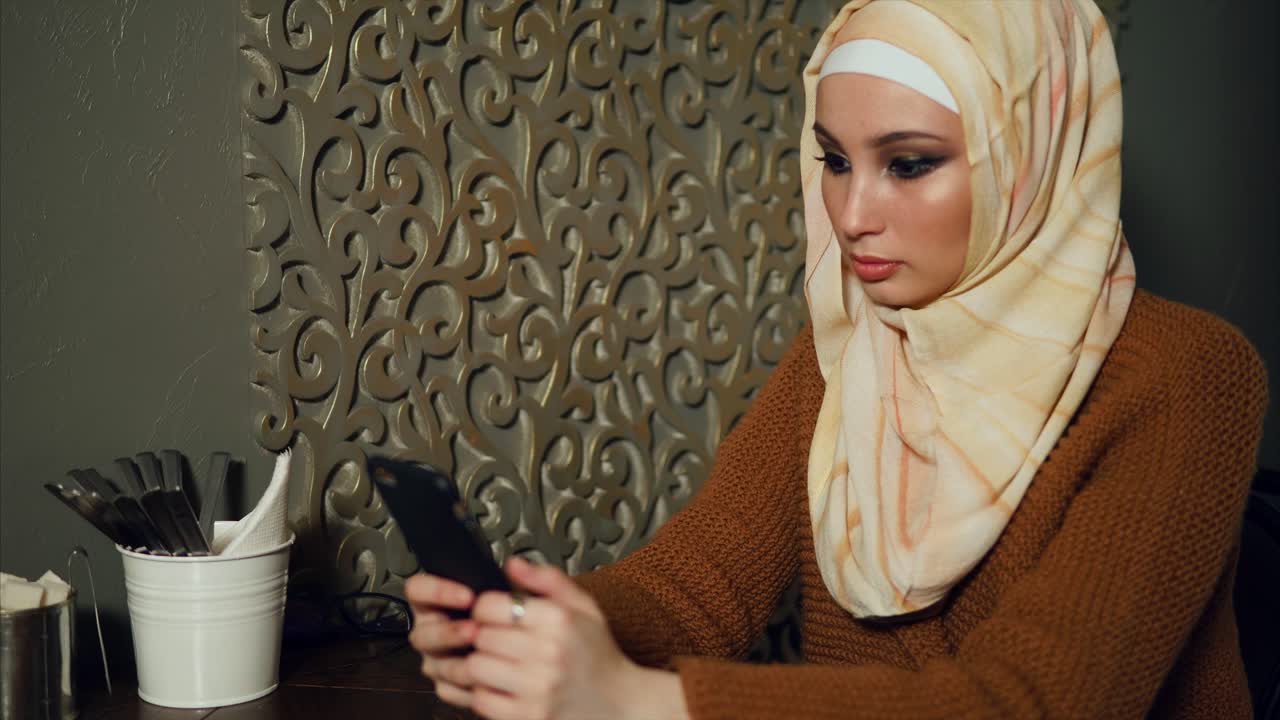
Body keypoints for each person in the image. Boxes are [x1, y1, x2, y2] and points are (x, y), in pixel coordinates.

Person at [405, 1, 1269, 717]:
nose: (852, 215)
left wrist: (635, 703)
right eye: (833, 159)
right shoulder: (848, 346)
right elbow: (692, 592)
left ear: (1029, 162)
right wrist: (541, 628)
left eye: (909, 164)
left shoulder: (1188, 373)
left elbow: (1030, 704)